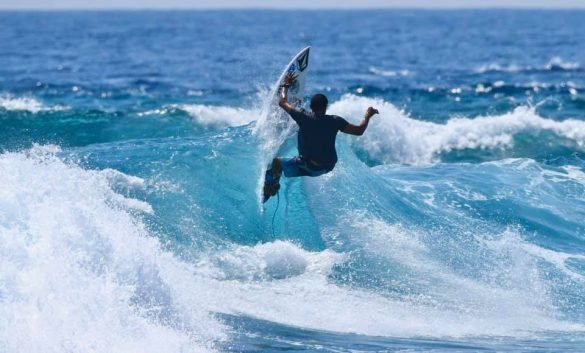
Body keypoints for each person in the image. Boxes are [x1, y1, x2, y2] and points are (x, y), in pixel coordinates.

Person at [263, 73, 379, 202]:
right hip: (325, 168)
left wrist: (285, 85)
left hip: (308, 166)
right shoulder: (335, 121)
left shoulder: (304, 117)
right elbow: (359, 131)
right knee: (301, 127)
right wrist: (367, 116)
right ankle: (275, 182)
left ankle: (270, 187)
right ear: (326, 107)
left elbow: (282, 102)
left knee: (277, 162)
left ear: (311, 107)